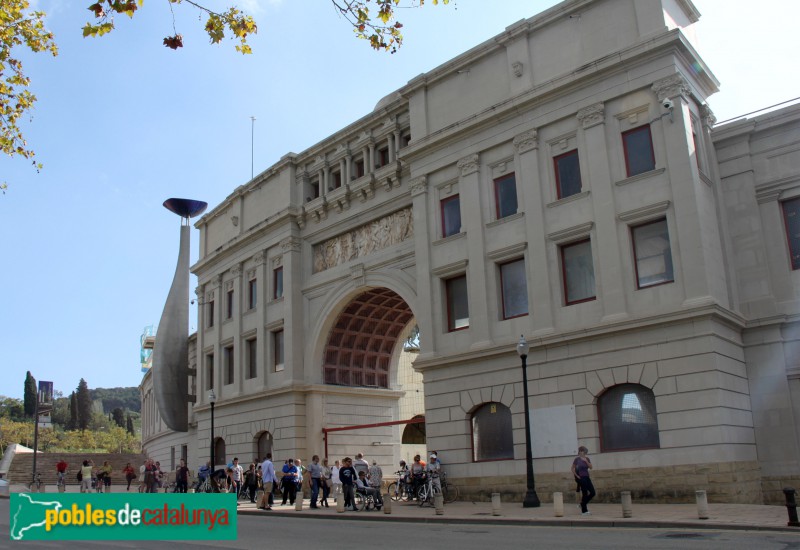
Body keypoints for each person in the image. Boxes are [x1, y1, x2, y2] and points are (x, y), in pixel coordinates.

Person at [571, 446, 595, 516]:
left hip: (587, 477)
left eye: (582, 451)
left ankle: (582, 504)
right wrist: (577, 476)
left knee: (593, 492)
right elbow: (572, 468)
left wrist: (586, 461)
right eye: (580, 451)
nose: (581, 452)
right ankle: (584, 511)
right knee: (585, 493)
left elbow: (591, 467)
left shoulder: (587, 459)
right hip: (581, 478)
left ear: (585, 452)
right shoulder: (577, 459)